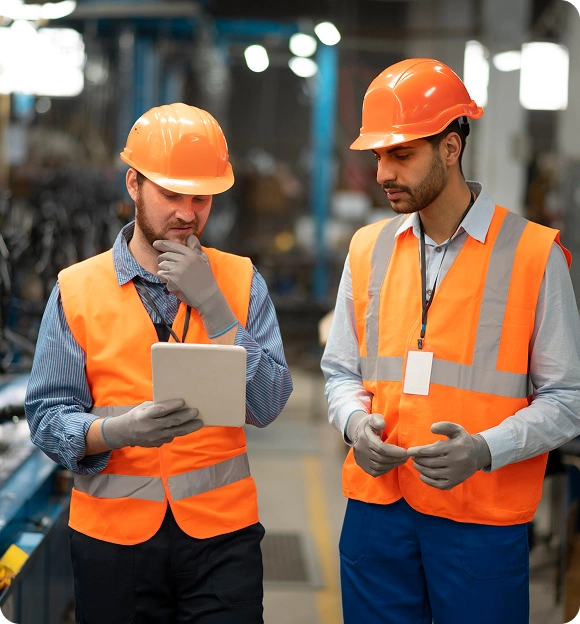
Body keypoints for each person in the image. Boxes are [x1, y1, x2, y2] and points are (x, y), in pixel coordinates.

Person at [321, 58, 580, 624]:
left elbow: (568, 401)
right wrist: (353, 426)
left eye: (402, 154)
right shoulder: (368, 248)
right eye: (379, 155)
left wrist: (484, 450)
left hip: (480, 518)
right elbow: (340, 372)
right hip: (377, 510)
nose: (384, 171)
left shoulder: (534, 255)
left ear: (450, 148)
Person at [25, 103, 293, 624]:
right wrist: (115, 431)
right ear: (133, 185)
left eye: (201, 198)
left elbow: (267, 404)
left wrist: (215, 308)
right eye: (171, 194)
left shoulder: (239, 282)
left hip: (222, 542)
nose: (188, 213)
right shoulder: (77, 290)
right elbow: (47, 416)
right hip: (112, 544)